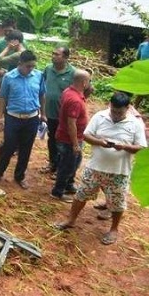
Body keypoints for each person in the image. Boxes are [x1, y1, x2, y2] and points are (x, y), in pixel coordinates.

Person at [54, 92, 147, 245]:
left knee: (117, 202)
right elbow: (86, 135)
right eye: (113, 111)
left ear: (128, 108)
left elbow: (141, 147)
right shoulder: (100, 116)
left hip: (119, 171)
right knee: (81, 194)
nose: (116, 115)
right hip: (95, 167)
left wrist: (124, 146)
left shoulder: (135, 123)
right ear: (110, 105)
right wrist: (100, 142)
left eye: (120, 112)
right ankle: (70, 220)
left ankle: (114, 229)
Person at [0, 50, 46, 189]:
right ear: (20, 64)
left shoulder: (38, 76)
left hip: (32, 118)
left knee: (26, 149)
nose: (30, 69)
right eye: (28, 66)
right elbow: (3, 98)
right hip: (13, 118)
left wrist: (43, 114)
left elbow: (42, 95)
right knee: (8, 147)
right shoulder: (9, 77)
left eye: (33, 66)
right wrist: (0, 118)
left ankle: (19, 176)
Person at [50, 69, 91, 202]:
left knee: (75, 161)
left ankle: (68, 184)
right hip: (69, 140)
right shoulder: (75, 100)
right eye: (89, 81)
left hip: (71, 137)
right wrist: (74, 144)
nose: (90, 83)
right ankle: (58, 191)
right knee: (67, 165)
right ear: (84, 82)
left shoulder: (69, 91)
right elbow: (71, 123)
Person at [41, 46, 75, 177]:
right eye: (53, 53)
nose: (53, 56)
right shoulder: (48, 69)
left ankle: (61, 168)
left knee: (63, 143)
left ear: (66, 58)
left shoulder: (73, 73)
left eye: (57, 54)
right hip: (50, 113)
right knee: (52, 139)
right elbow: (42, 86)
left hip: (65, 116)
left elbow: (87, 89)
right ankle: (52, 163)